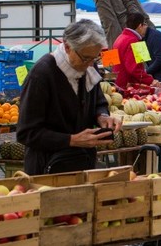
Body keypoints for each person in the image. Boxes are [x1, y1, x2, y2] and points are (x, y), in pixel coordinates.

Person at [17, 19, 122, 174]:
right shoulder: (41, 75)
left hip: (82, 164)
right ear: (67, 47)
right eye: (86, 58)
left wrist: (102, 116)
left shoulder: (88, 68)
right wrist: (71, 140)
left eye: (95, 58)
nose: (90, 64)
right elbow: (26, 133)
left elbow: (98, 101)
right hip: (47, 170)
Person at [112, 11, 159, 89]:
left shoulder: (119, 37)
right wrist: (150, 80)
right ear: (140, 26)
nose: (146, 27)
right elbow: (135, 69)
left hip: (119, 83)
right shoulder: (134, 41)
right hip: (128, 85)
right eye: (145, 24)